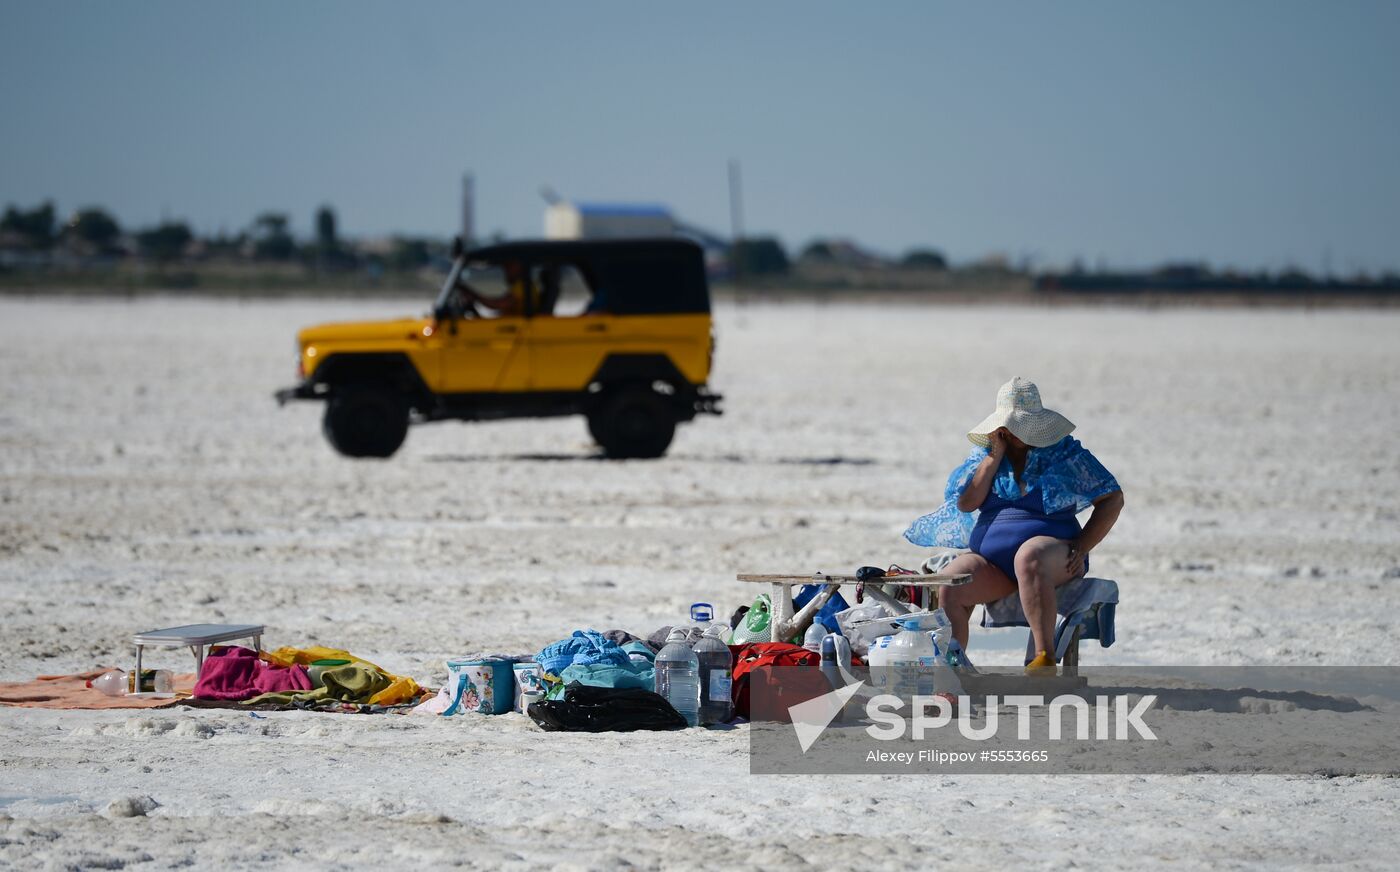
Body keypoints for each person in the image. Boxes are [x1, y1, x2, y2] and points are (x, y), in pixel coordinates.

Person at [905, 377, 1124, 676]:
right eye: (1007, 427)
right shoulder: (985, 458)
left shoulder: (1064, 455)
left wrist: (1084, 544)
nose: (1011, 432)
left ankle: (1043, 657)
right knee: (952, 579)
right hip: (993, 564)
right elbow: (967, 503)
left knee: (1028, 556)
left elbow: (1112, 498)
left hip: (1053, 556)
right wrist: (994, 456)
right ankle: (951, 668)